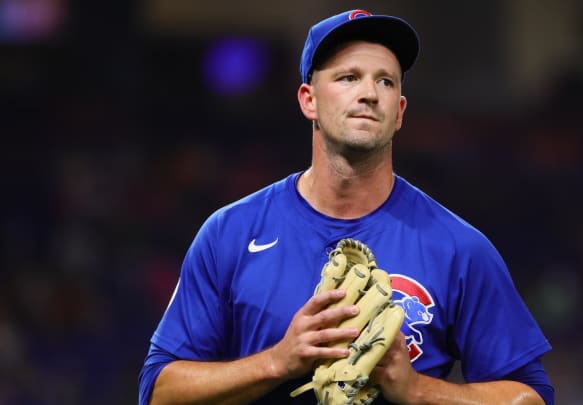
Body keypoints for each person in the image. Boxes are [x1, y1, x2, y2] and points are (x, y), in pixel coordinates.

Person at [139, 9, 554, 405]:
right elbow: (159, 392)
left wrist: (418, 391)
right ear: (309, 100)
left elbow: (531, 395)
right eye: (348, 77)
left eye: (386, 82)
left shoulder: (458, 248)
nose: (369, 94)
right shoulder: (230, 233)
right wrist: (276, 362)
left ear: (400, 113)